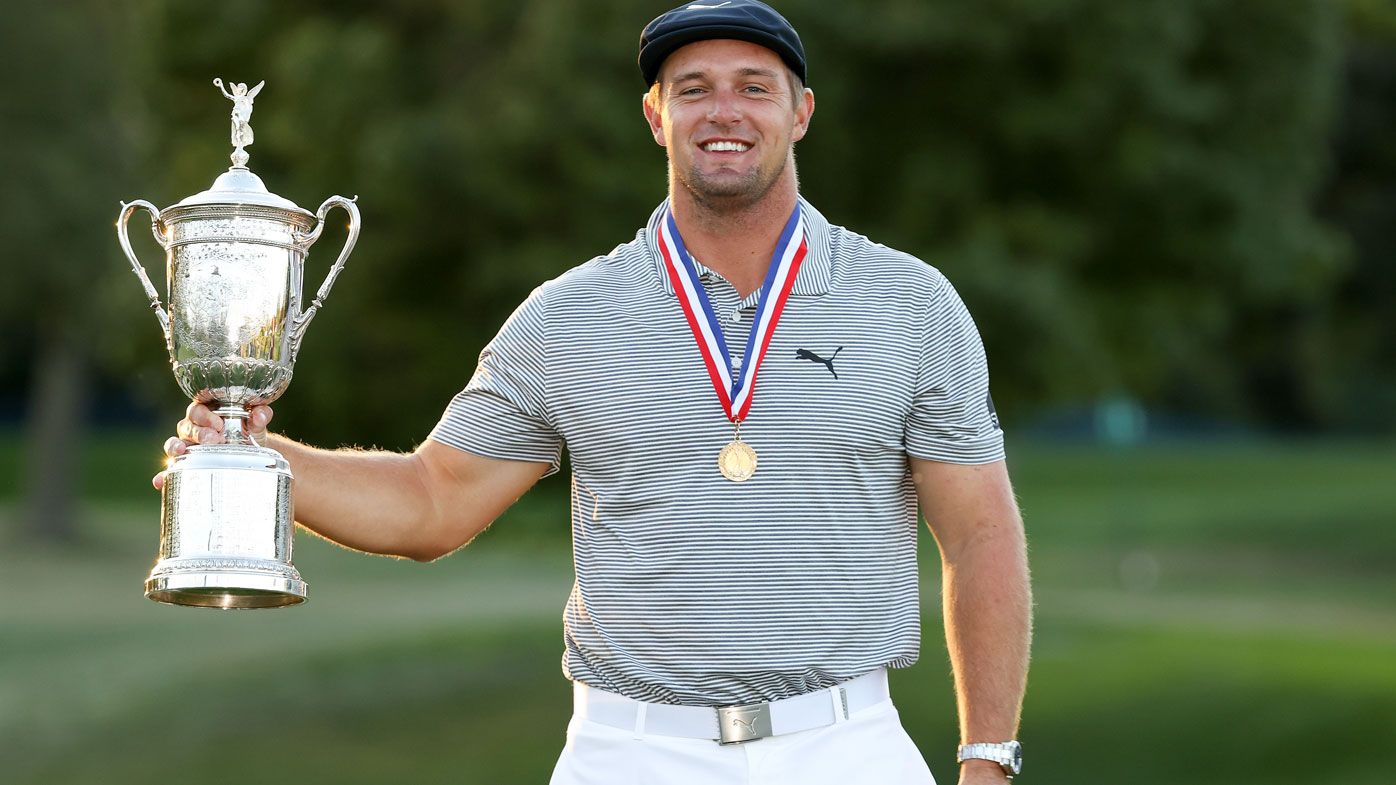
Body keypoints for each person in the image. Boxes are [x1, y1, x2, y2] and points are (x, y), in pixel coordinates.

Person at [159, 2, 1031, 783]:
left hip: (846, 745)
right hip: (632, 751)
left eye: (753, 87)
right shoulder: (566, 318)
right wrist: (254, 453)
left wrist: (986, 758)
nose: (723, 111)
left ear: (801, 112)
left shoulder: (911, 304)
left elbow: (982, 532)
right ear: (656, 116)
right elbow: (433, 501)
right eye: (692, 89)